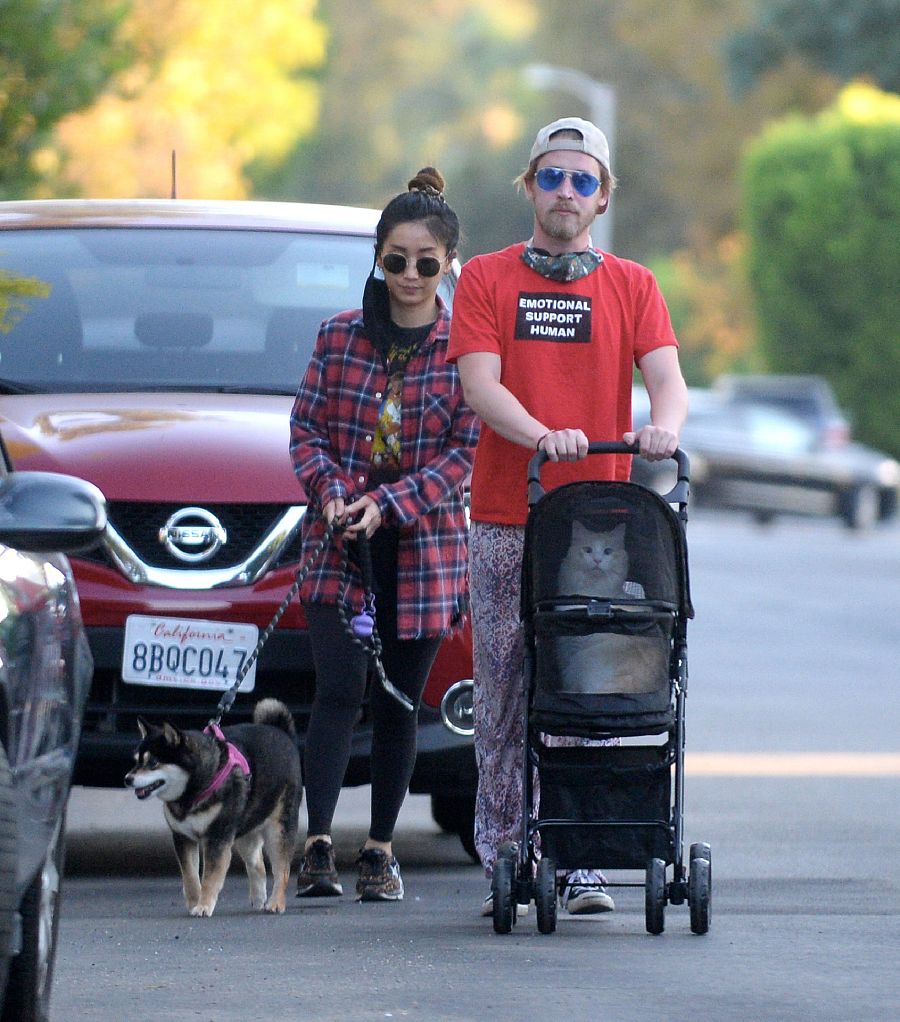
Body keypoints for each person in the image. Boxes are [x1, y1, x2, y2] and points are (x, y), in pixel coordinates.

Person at [446, 117, 688, 917]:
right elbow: (480, 385)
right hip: (508, 518)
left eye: (582, 181)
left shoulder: (633, 285)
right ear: (529, 186)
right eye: (552, 177)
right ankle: (506, 858)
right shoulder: (484, 278)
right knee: (507, 694)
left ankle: (580, 858)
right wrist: (540, 434)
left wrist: (665, 429)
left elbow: (668, 379)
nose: (565, 193)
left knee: (586, 692)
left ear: (602, 196)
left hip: (597, 523)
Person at [289, 168, 478, 902]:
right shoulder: (338, 336)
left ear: (447, 266)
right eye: (395, 260)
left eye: (425, 263)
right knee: (337, 690)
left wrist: (390, 503)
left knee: (401, 700)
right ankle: (317, 846)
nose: (408, 275)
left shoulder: (466, 349)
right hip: (338, 544)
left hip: (424, 551)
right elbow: (305, 430)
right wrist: (335, 495)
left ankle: (380, 849)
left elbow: (466, 453)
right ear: (377, 256)